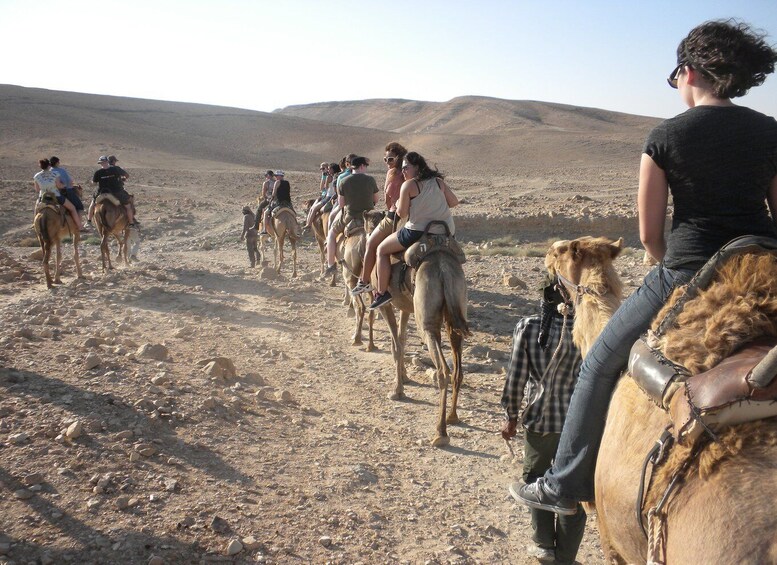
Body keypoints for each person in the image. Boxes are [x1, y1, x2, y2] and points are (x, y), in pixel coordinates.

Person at [513, 19, 777, 516]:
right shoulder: (770, 131)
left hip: (690, 269)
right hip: (765, 265)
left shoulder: (666, 136)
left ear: (689, 70)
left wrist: (664, 268)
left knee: (597, 364)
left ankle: (563, 486)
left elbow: (650, 235)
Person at [502, 278, 586, 564]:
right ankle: (566, 555)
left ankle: (543, 546)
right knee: (574, 487)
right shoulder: (588, 331)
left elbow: (516, 377)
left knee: (535, 479)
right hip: (579, 424)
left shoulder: (529, 328)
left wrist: (511, 416)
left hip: (540, 421)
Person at [369, 151, 459, 310]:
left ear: (417, 167)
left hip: (418, 231)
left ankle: (381, 293)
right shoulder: (438, 182)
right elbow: (453, 202)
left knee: (381, 249)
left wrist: (397, 207)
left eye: (406, 168)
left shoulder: (409, 185)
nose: (402, 171)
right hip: (445, 231)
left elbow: (402, 213)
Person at [351, 141, 408, 296]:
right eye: (385, 160)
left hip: (394, 216)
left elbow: (387, 199)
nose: (388, 163)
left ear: (398, 158)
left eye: (390, 159)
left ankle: (364, 282)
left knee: (371, 244)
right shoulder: (411, 171)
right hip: (413, 215)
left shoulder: (393, 173)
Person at [322, 156, 379, 276]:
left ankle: (331, 265)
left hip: (350, 217)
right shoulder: (371, 180)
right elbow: (376, 200)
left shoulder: (343, 181)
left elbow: (342, 203)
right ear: (362, 166)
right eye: (366, 166)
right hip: (369, 218)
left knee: (331, 234)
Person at [33, 158, 82, 229]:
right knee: (73, 208)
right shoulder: (55, 174)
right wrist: (64, 185)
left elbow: (37, 189)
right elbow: (59, 186)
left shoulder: (37, 176)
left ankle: (34, 224)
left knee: (37, 207)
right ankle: (80, 227)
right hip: (56, 196)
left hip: (43, 197)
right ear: (49, 165)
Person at [89, 155, 135, 226]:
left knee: (92, 204)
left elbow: (94, 184)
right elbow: (127, 175)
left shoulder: (98, 172)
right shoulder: (116, 169)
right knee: (128, 206)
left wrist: (91, 182)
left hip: (102, 193)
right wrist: (123, 179)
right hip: (116, 192)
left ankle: (88, 221)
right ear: (108, 161)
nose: (103, 163)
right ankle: (131, 223)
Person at [260, 170, 292, 236]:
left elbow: (273, 194)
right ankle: (297, 228)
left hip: (278, 202)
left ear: (279, 176)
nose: (276, 177)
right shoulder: (287, 182)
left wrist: (271, 199)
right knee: (293, 213)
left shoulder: (277, 182)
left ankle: (264, 230)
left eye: (276, 176)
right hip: (288, 203)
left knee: (266, 213)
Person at [305, 162, 332, 228]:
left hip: (328, 196)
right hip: (323, 195)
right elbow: (321, 188)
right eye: (321, 169)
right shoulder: (324, 176)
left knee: (314, 208)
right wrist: (323, 177)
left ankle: (309, 225)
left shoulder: (330, 176)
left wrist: (326, 177)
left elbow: (326, 187)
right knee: (312, 208)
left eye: (323, 168)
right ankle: (308, 224)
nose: (322, 170)